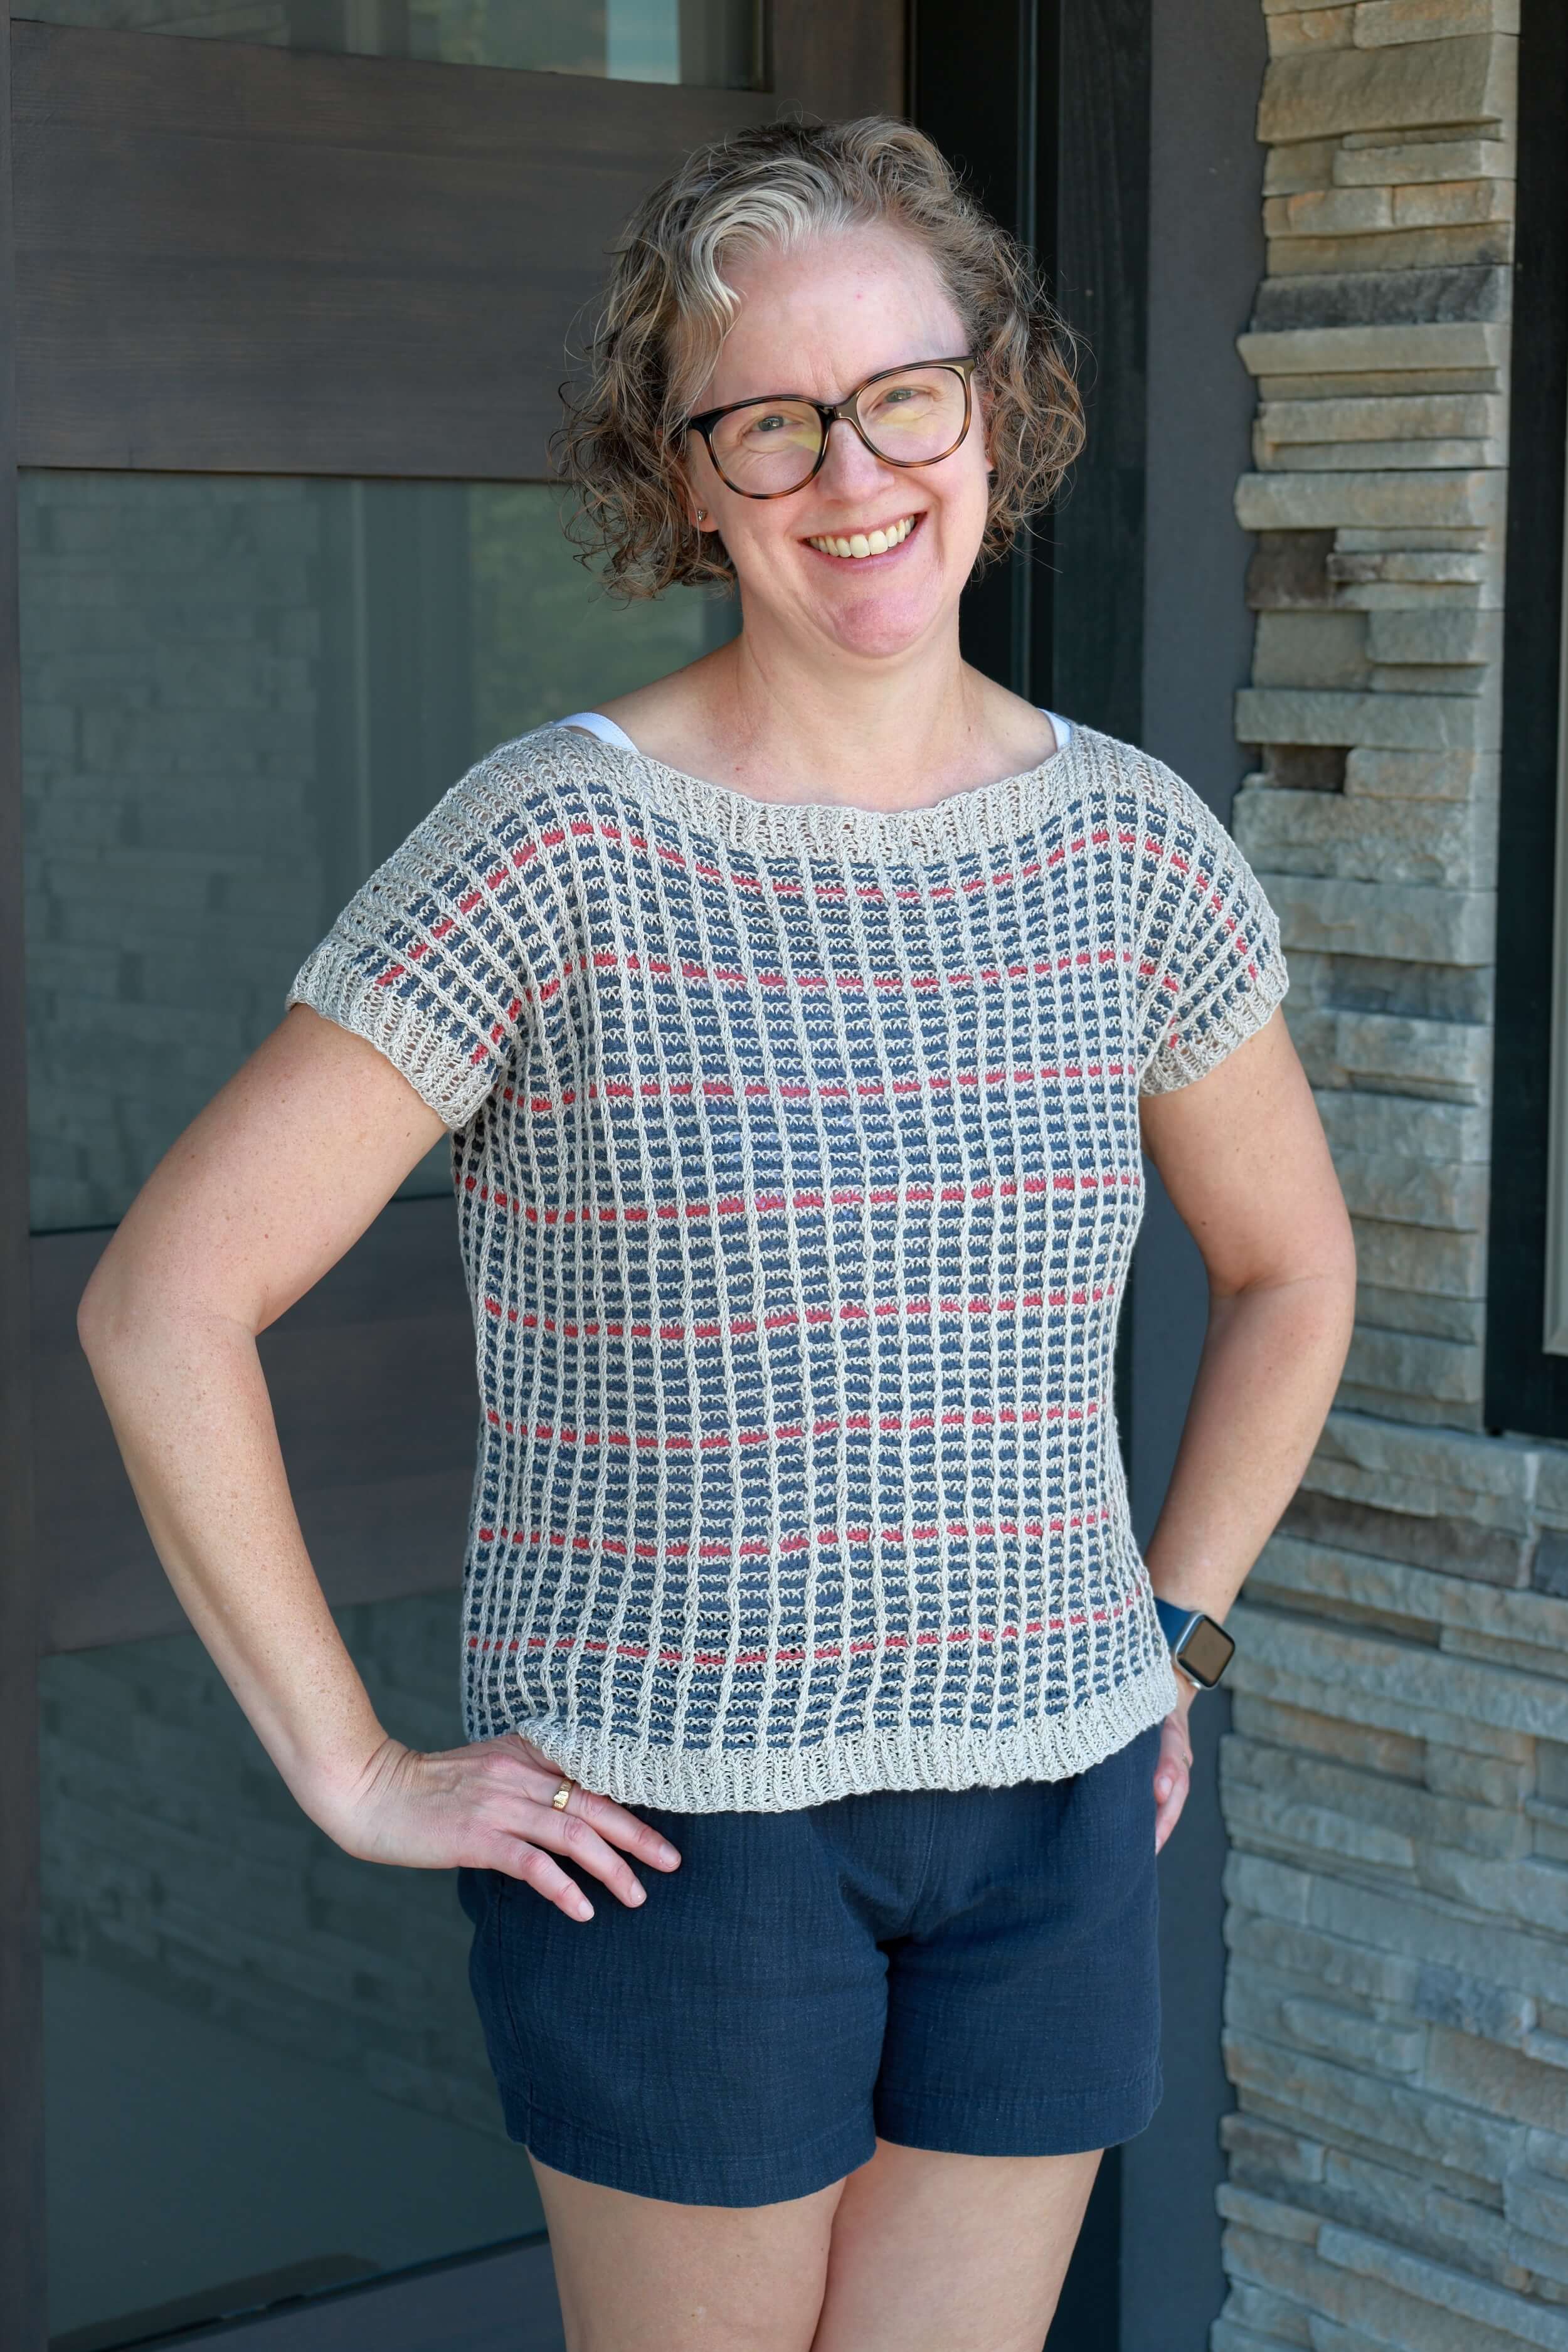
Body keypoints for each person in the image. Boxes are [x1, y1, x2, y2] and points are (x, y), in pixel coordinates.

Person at [77, 112, 1357, 2352]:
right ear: (681, 478)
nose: (850, 475)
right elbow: (165, 1297)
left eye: (900, 398)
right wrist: (346, 1764)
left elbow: (1291, 1268)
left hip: (1055, 1809)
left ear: (995, 404)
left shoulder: (1134, 853)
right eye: (766, 424)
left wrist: (1175, 1636)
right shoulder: (552, 842)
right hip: (671, 1841)